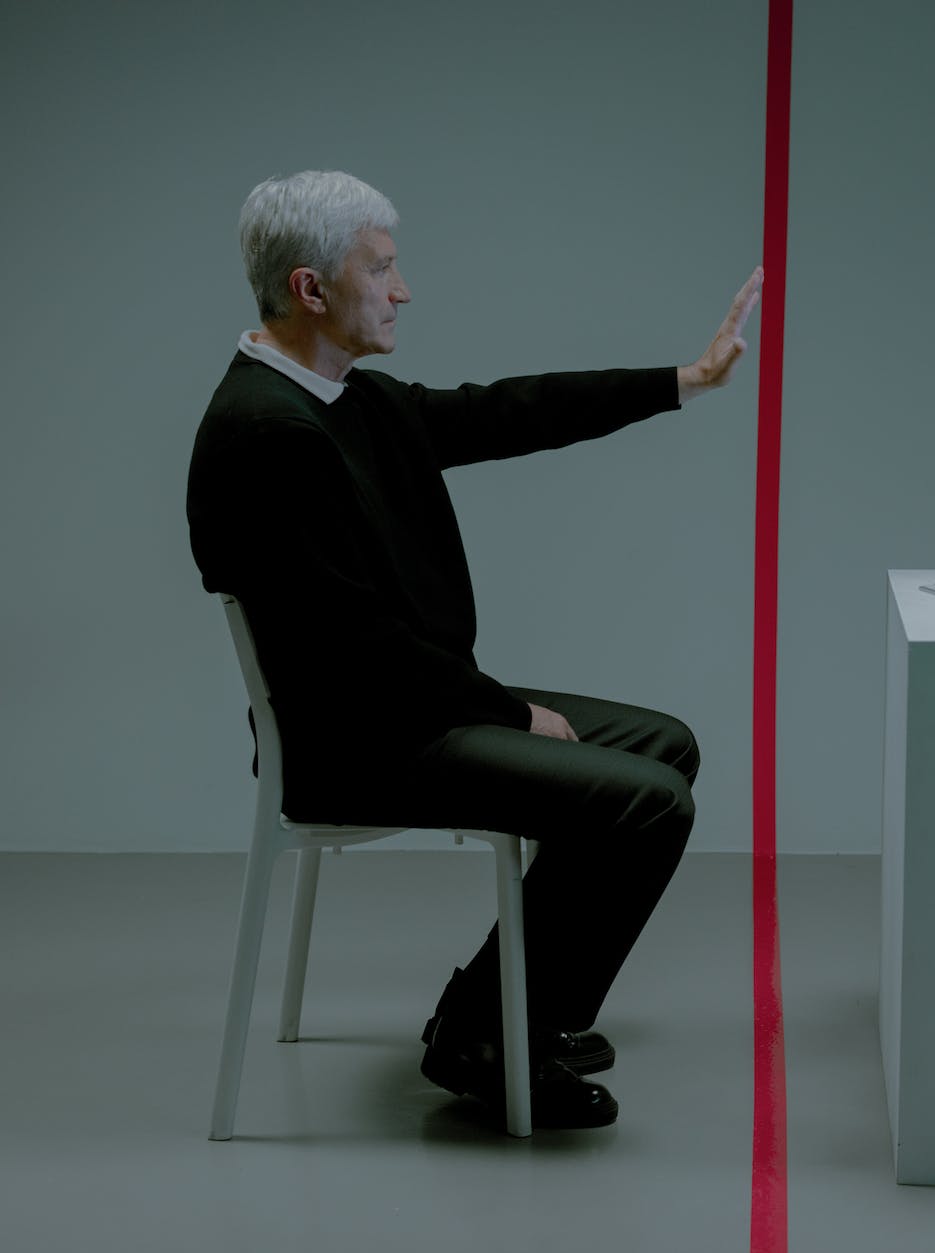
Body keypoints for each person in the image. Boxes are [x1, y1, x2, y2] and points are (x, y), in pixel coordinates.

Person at [186, 170, 759, 1129]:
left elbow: (502, 411)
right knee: (646, 805)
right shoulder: (265, 434)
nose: (402, 289)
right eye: (382, 268)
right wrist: (506, 711)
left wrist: (681, 382)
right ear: (310, 290)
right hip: (358, 738)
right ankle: (489, 1041)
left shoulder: (341, 398)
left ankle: (500, 1013)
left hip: (409, 701)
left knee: (665, 746)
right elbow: (355, 648)